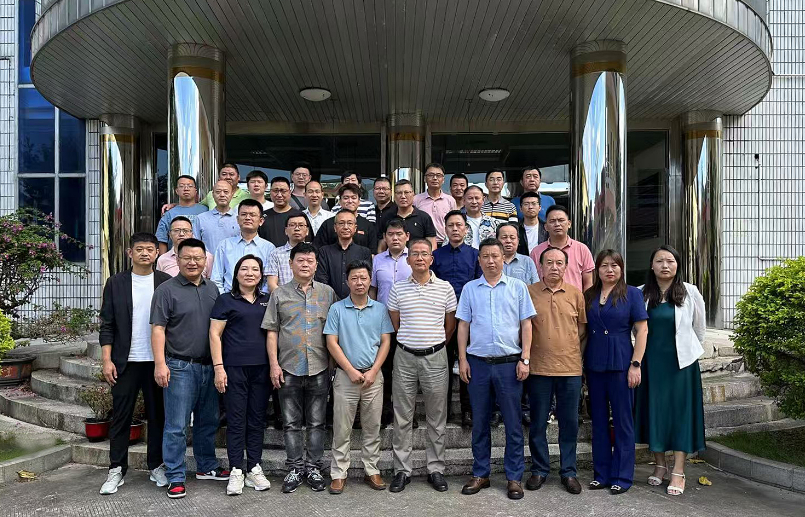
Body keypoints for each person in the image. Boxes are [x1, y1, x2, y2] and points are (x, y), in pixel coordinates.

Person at [457, 238, 535, 500]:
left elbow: (526, 324)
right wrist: (462, 359)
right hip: (478, 364)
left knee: (513, 423)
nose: (490, 261)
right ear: (479, 260)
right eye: (485, 256)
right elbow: (463, 326)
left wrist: (525, 359)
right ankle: (481, 473)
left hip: (509, 365)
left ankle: (514, 477)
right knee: (480, 422)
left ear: (503, 259)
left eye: (495, 256)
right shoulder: (470, 289)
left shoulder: (518, 287)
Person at [150, 238, 228, 499]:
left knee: (208, 421)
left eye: (198, 258)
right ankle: (175, 475)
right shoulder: (166, 290)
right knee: (177, 425)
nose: (193, 262)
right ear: (178, 260)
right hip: (179, 367)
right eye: (187, 258)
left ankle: (206, 466)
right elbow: (158, 329)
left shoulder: (212, 289)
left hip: (209, 366)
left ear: (205, 261)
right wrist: (160, 363)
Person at [98, 233, 171, 495]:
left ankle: (156, 465)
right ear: (130, 253)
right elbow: (107, 324)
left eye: (150, 249)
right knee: (121, 417)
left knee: (158, 416)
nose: (144, 253)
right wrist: (107, 360)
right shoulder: (116, 283)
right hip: (125, 362)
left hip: (156, 362)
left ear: (157, 253)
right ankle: (116, 468)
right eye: (139, 249)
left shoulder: (165, 282)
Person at [262, 243, 337, 494]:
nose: (305, 264)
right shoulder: (279, 294)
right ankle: (294, 468)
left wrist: (333, 365)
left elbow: (335, 330)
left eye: (310, 261)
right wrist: (274, 365)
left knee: (317, 423)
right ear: (291, 264)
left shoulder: (327, 293)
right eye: (300, 260)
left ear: (316, 265)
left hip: (320, 367)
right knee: (291, 423)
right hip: (288, 367)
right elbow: (272, 331)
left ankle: (313, 467)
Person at [635, 245, 706, 497]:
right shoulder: (641, 293)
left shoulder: (690, 292)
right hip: (651, 364)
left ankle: (678, 470)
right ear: (651, 265)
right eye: (659, 261)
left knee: (679, 416)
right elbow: (636, 329)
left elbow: (699, 329)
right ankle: (659, 465)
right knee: (656, 412)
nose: (665, 265)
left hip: (681, 366)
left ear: (677, 265)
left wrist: (690, 353)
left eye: (670, 261)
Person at [387, 239, 457, 494]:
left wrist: (432, 345)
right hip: (404, 357)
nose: (419, 258)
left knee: (436, 416)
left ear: (431, 259)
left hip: (435, 357)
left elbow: (450, 326)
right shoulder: (398, 289)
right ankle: (402, 470)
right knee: (402, 416)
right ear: (408, 260)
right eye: (414, 253)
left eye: (424, 253)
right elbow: (396, 323)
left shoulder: (445, 288)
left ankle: (435, 468)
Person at [324, 260, 395, 494]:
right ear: (347, 281)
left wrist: (374, 371)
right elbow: (331, 342)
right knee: (341, 428)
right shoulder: (337, 309)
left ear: (369, 280)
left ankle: (371, 469)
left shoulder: (380, 309)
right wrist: (350, 370)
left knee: (372, 427)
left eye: (363, 278)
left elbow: (386, 341)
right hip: (346, 376)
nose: (359, 282)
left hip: (373, 377)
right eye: (354, 278)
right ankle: (338, 473)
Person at [584, 249, 648, 495]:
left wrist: (636, 364)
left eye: (614, 265)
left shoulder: (632, 294)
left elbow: (642, 330)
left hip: (622, 363)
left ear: (621, 268)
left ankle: (622, 476)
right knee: (599, 421)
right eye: (604, 266)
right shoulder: (589, 295)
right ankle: (601, 474)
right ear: (597, 269)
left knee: (623, 421)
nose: (609, 270)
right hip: (595, 363)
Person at [525, 247, 587, 495]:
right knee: (538, 422)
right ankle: (539, 469)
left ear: (566, 267)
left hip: (569, 369)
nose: (554, 267)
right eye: (549, 262)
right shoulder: (529, 292)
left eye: (559, 263)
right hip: (538, 368)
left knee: (569, 423)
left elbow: (582, 329)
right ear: (540, 266)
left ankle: (568, 471)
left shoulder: (576, 294)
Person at [209, 255, 272, 495]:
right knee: (236, 420)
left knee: (256, 419)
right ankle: (236, 469)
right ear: (236, 274)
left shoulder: (267, 300)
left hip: (262, 369)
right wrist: (219, 367)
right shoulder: (225, 300)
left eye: (255, 269)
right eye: (244, 269)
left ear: (261, 275)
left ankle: (254, 467)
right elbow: (215, 334)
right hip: (234, 368)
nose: (249, 273)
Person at [431, 210, 481, 429]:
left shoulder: (475, 255)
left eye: (459, 225)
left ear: (466, 229)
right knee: (442, 366)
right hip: (441, 318)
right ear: (445, 228)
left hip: (469, 319)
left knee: (466, 363)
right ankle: (443, 411)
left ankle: (467, 410)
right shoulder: (436, 256)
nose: (454, 229)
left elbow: (479, 285)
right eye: (450, 225)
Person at [369, 218, 412, 426]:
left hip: (409, 324)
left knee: (406, 372)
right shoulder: (377, 260)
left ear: (407, 236)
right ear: (385, 237)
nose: (395, 238)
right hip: (383, 323)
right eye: (391, 234)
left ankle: (406, 415)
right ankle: (385, 411)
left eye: (399, 234)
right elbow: (373, 290)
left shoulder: (414, 258)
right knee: (384, 369)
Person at [211, 199, 276, 294]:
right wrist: (224, 298)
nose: (247, 218)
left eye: (252, 215)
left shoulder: (269, 248)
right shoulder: (224, 245)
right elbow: (216, 278)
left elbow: (268, 281)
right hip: (229, 297)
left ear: (261, 221)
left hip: (259, 299)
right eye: (244, 214)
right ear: (237, 219)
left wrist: (260, 298)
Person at [529, 205, 594, 293]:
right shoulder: (536, 252)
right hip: (544, 300)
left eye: (561, 220)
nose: (557, 224)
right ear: (546, 226)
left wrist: (583, 301)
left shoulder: (582, 249)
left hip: (574, 300)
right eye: (552, 221)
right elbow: (533, 282)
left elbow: (588, 283)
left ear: (569, 224)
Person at [315, 210, 373, 300]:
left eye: (349, 223)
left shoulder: (364, 252)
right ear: (335, 227)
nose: (345, 227)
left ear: (355, 228)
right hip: (329, 301)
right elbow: (321, 279)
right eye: (341, 223)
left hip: (356, 302)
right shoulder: (324, 252)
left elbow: (365, 279)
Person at [377, 180, 437, 253]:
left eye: (406, 192)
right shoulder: (386, 217)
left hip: (418, 258)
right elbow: (381, 247)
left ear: (413, 194)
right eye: (399, 193)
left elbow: (432, 245)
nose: (403, 196)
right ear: (394, 195)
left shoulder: (424, 217)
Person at [314, 184, 378, 251]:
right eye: (346, 198)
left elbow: (372, 252)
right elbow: (317, 249)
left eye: (353, 198)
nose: (350, 201)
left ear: (359, 201)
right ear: (340, 201)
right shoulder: (328, 224)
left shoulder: (368, 225)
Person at [156, 175, 208, 254]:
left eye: (190, 186)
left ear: (195, 191)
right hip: (175, 257)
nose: (186, 189)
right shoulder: (169, 213)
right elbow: (162, 239)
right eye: (182, 186)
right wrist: (164, 259)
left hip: (200, 257)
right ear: (177, 191)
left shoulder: (206, 210)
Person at [414, 163, 457, 246]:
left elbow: (454, 222)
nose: (435, 178)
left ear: (443, 180)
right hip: (423, 244)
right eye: (431, 175)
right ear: (425, 179)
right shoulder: (416, 200)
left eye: (438, 175)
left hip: (445, 244)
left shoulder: (450, 200)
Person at [193, 180, 240, 255]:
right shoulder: (201, 219)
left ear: (232, 194)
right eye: (218, 192)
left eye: (226, 192)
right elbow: (195, 245)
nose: (222, 195)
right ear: (213, 194)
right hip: (208, 262)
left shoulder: (239, 219)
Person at [267, 213, 310, 292]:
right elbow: (271, 284)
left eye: (301, 225)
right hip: (283, 298)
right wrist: (287, 297)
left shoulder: (314, 252)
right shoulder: (275, 254)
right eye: (292, 225)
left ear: (307, 231)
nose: (297, 229)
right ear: (286, 231)